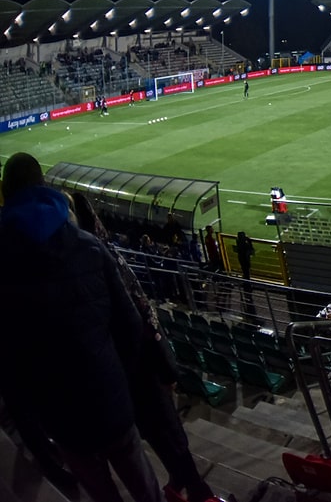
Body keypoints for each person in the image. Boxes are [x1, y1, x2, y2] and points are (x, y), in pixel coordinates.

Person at [0, 153, 165, 502]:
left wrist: (35, 420)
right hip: (109, 399)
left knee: (101, 493)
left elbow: (10, 363)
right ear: (43, 186)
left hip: (60, 416)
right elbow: (130, 326)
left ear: (5, 193)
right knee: (145, 488)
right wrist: (116, 375)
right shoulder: (89, 247)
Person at [71, 192, 214, 502]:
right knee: (163, 430)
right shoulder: (101, 256)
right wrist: (164, 366)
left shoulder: (82, 261)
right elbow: (142, 314)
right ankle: (193, 485)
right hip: (135, 369)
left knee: (157, 431)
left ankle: (184, 481)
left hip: (121, 373)